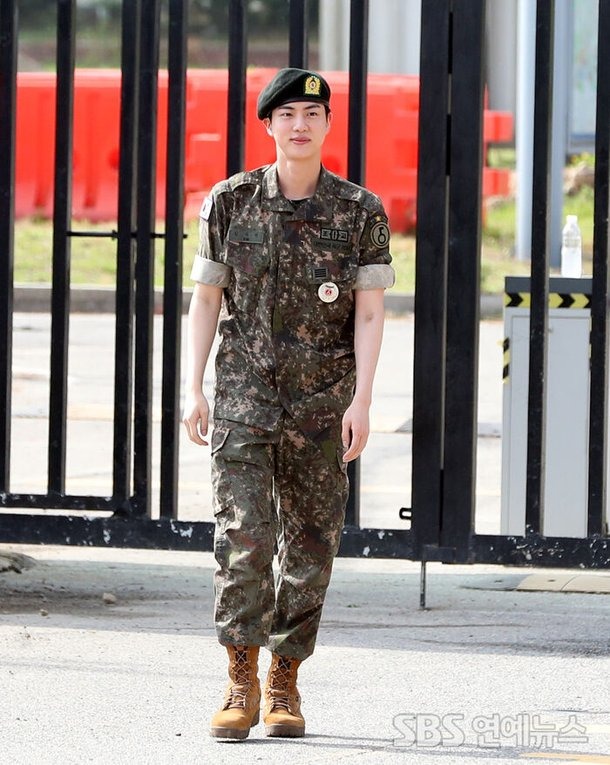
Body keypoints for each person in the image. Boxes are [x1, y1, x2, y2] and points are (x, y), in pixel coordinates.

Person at [182, 67, 394, 741]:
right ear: (269, 124)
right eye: (287, 114)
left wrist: (362, 399)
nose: (300, 125)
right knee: (243, 538)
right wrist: (193, 387)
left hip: (322, 404)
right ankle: (239, 677)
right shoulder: (230, 201)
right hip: (244, 397)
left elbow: (370, 311)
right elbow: (206, 299)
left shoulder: (359, 211)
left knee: (310, 543)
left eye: (312, 113)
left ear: (328, 123)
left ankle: (284, 681)